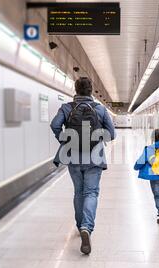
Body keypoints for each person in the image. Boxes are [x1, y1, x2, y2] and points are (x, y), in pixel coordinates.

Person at [50, 77, 116, 255]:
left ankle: (80, 227)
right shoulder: (100, 109)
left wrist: (65, 139)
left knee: (79, 192)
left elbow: (55, 125)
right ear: (91, 91)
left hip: (73, 158)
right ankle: (87, 226)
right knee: (91, 192)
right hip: (94, 158)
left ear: (76, 90)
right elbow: (112, 134)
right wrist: (98, 137)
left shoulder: (67, 108)